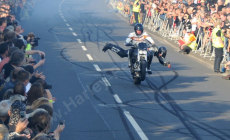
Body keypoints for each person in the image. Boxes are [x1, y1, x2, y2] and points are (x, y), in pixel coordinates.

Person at [102, 23, 170, 74]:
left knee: (155, 51)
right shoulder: (131, 34)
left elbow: (150, 40)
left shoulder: (144, 34)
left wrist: (153, 45)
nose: (139, 32)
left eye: (140, 31)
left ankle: (156, 64)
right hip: (134, 48)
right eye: (138, 31)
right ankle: (110, 46)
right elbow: (126, 42)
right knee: (123, 54)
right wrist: (128, 43)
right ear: (135, 30)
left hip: (143, 48)